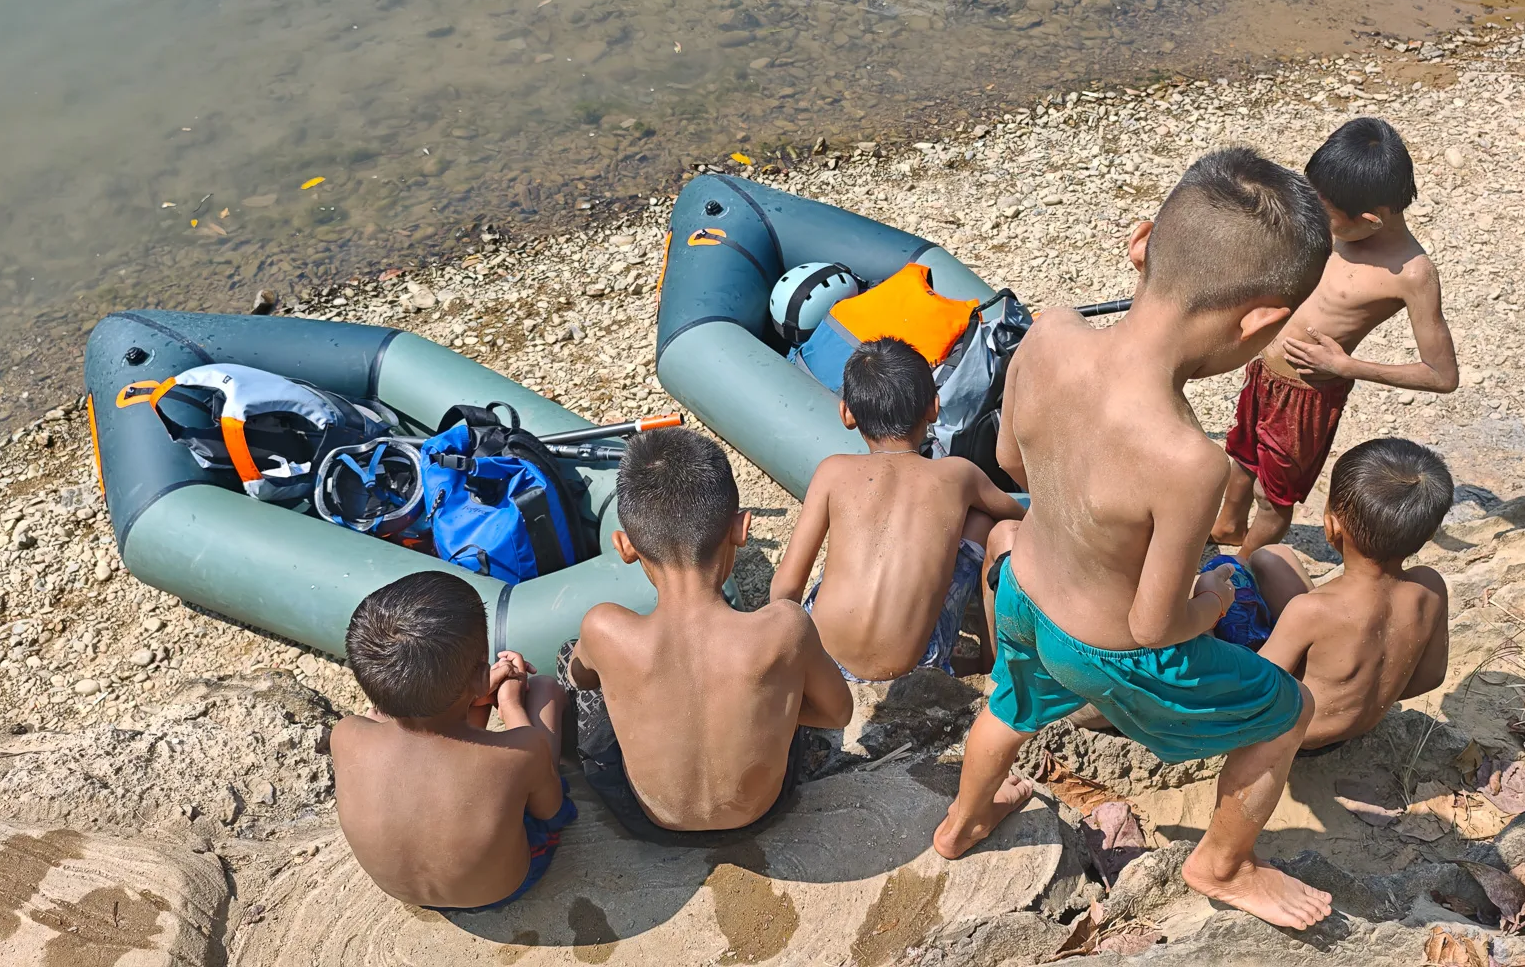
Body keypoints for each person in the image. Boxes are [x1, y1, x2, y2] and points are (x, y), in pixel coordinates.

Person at [933, 147, 1336, 931]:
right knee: (1287, 710)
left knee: (1011, 706)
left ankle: (960, 825)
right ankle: (1221, 864)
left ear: (1142, 242)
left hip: (1022, 591)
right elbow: (1155, 624)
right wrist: (1214, 596)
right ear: (1260, 322)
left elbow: (1011, 458)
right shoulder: (1190, 461)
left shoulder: (1049, 335)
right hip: (1107, 644)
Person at [562, 427, 853, 842]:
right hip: (761, 813)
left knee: (570, 656)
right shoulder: (786, 628)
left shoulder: (604, 628)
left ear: (625, 547)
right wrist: (768, 710)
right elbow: (837, 714)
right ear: (741, 528)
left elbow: (579, 680)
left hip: (648, 821)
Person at [1212, 117, 1459, 558]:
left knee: (1274, 496)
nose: (1313, 217)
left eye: (1323, 213)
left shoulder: (1411, 274)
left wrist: (1346, 367)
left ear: (1368, 220)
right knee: (1241, 456)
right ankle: (1227, 528)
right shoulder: (1334, 227)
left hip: (1307, 397)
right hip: (1263, 370)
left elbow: (1441, 375)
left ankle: (1244, 569)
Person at [769, 337, 1029, 681]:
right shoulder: (958, 474)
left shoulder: (832, 471)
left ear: (847, 413)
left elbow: (785, 588)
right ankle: (987, 663)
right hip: (914, 671)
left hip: (822, 661)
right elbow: (1020, 515)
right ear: (933, 408)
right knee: (983, 523)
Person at [329, 572, 574, 911]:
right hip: (502, 888)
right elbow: (551, 811)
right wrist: (510, 704)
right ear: (479, 675)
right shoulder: (521, 754)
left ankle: (462, 701)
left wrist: (473, 688)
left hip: (405, 892)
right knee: (547, 689)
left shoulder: (345, 735)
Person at [1252, 437, 1453, 750]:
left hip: (1294, 737)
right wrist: (1367, 694)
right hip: (1360, 725)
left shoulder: (1310, 611)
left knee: (1242, 578)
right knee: (1271, 557)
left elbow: (1253, 693)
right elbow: (1431, 677)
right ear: (1428, 535)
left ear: (1331, 527)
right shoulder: (1431, 589)